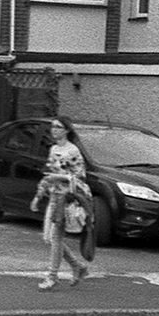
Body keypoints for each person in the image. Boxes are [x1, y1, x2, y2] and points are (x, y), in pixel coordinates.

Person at [29, 118, 92, 290]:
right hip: (54, 197)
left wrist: (58, 177)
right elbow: (48, 174)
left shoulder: (73, 151)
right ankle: (78, 266)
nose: (54, 130)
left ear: (66, 130)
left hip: (66, 199)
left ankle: (52, 276)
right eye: (53, 127)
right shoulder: (54, 149)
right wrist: (38, 195)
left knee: (56, 238)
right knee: (48, 238)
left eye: (58, 127)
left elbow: (79, 176)